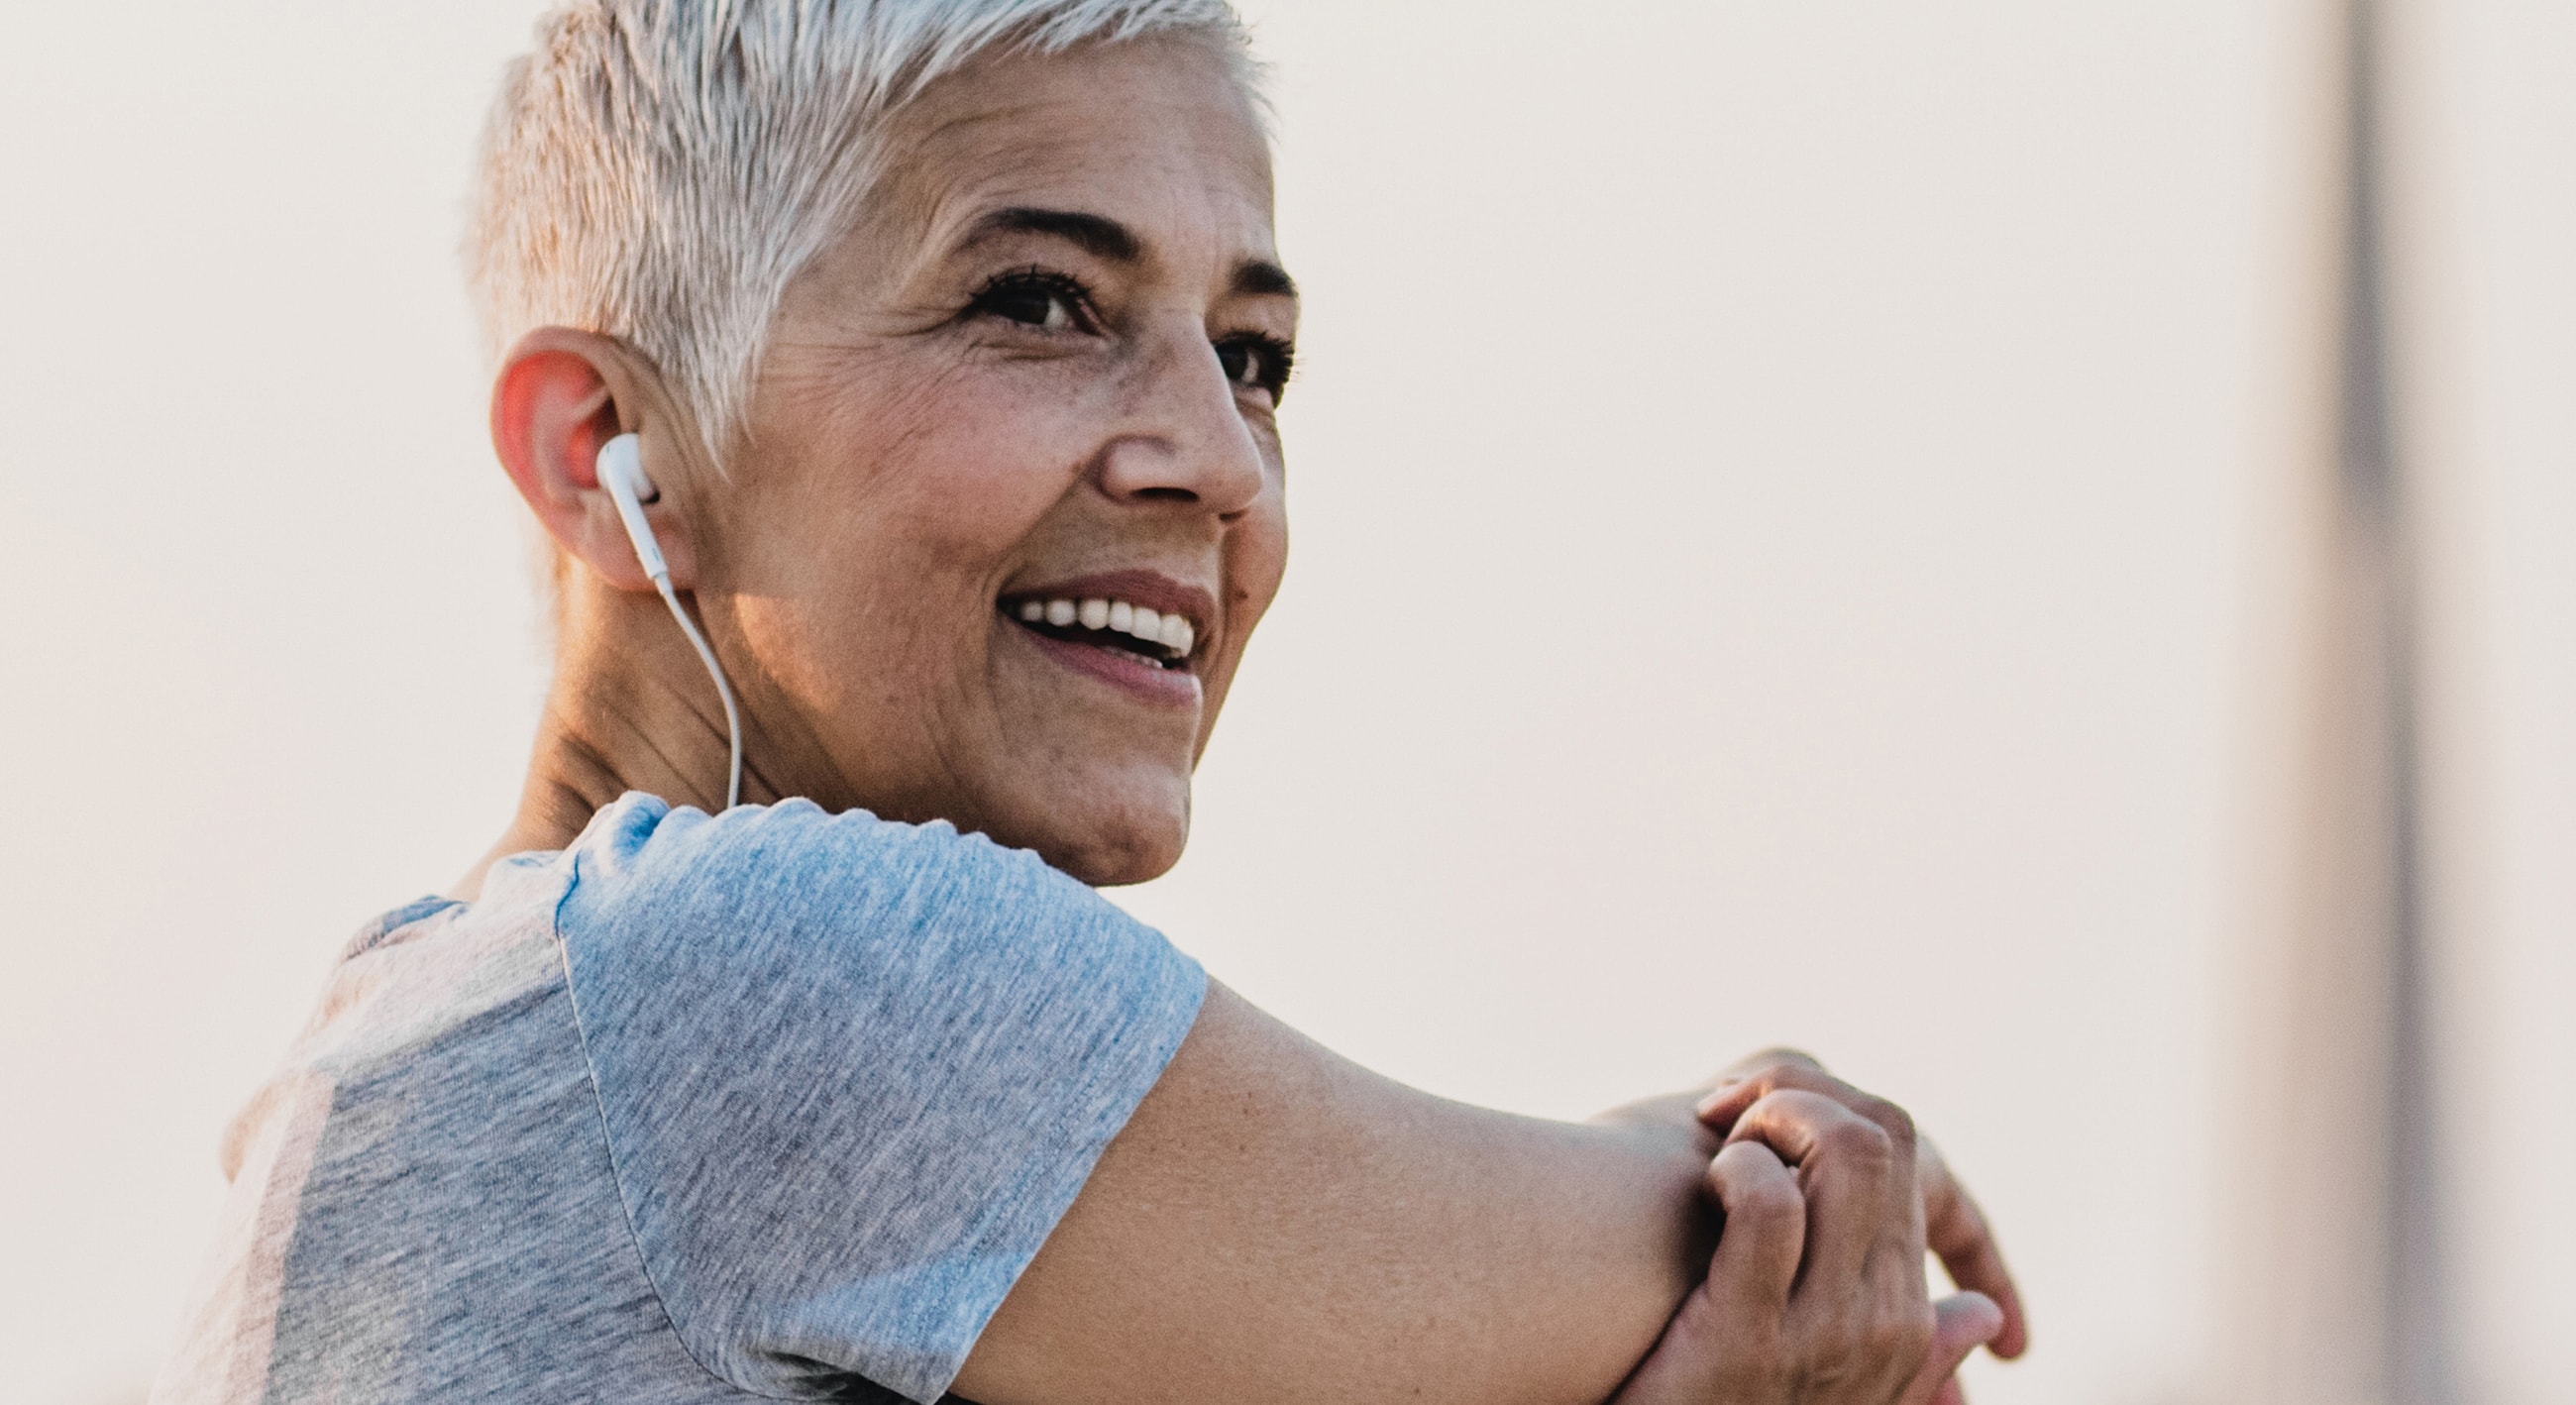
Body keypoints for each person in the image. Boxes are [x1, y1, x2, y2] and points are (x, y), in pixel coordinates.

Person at [156, 3, 2028, 1402]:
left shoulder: (447, 1041)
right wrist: (1820, 1158)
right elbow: (1723, 1242)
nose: (1220, 462)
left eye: (1258, 356)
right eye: (1039, 301)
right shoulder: (746, 974)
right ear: (608, 449)